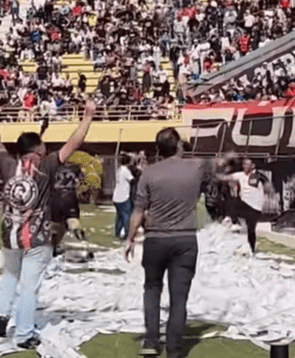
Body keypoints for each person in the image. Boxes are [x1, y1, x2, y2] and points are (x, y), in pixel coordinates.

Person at [0, 102, 95, 350]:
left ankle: (1, 319)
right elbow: (74, 143)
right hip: (37, 237)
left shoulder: (6, 163)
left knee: (9, 276)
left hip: (9, 235)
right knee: (29, 287)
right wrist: (88, 116)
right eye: (43, 148)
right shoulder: (46, 166)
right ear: (37, 151)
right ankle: (24, 334)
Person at [125, 128, 215, 357]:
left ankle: (151, 340)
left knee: (152, 289)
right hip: (185, 239)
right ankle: (175, 349)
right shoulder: (195, 167)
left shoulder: (149, 173)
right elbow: (212, 175)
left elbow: (138, 210)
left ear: (158, 149)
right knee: (179, 297)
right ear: (179, 146)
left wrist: (130, 238)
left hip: (155, 238)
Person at [219, 158, 273, 254]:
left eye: (247, 164)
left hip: (256, 208)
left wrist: (270, 197)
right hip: (245, 204)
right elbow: (226, 178)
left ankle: (252, 249)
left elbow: (269, 187)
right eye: (244, 164)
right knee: (233, 200)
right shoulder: (240, 175)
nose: (245, 166)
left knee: (251, 229)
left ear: (252, 166)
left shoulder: (259, 176)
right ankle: (231, 220)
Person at [113, 155, 134, 240]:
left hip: (116, 197)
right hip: (123, 197)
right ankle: (127, 234)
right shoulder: (126, 171)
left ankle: (117, 233)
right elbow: (132, 180)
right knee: (126, 216)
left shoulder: (119, 170)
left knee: (119, 217)